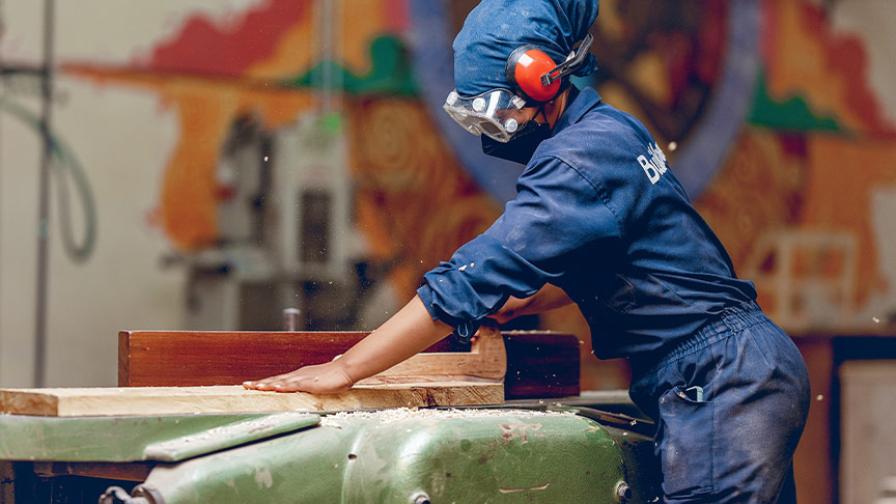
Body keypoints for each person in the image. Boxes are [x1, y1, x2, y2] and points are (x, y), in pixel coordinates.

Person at [244, 1, 811, 502]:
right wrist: (528, 298)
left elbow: (471, 278)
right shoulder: (613, 130)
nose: (496, 129)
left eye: (495, 112)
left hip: (720, 376)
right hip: (735, 368)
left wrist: (345, 368)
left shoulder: (579, 160)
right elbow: (624, 257)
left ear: (541, 81)